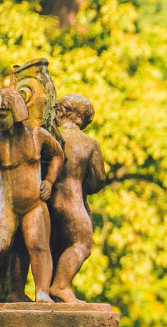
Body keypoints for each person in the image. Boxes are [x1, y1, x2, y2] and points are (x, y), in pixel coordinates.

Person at [0, 88, 64, 303]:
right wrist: (1, 180)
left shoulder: (38, 136)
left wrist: (49, 181)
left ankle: (42, 292)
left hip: (34, 203)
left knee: (38, 246)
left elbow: (58, 155)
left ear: (16, 112)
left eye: (1, 115)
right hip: (7, 201)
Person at [47, 93, 106, 302]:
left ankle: (47, 288)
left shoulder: (47, 135)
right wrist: (83, 184)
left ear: (61, 112)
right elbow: (99, 179)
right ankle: (61, 285)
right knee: (81, 243)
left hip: (46, 199)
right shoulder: (89, 143)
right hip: (72, 200)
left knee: (54, 244)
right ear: (82, 119)